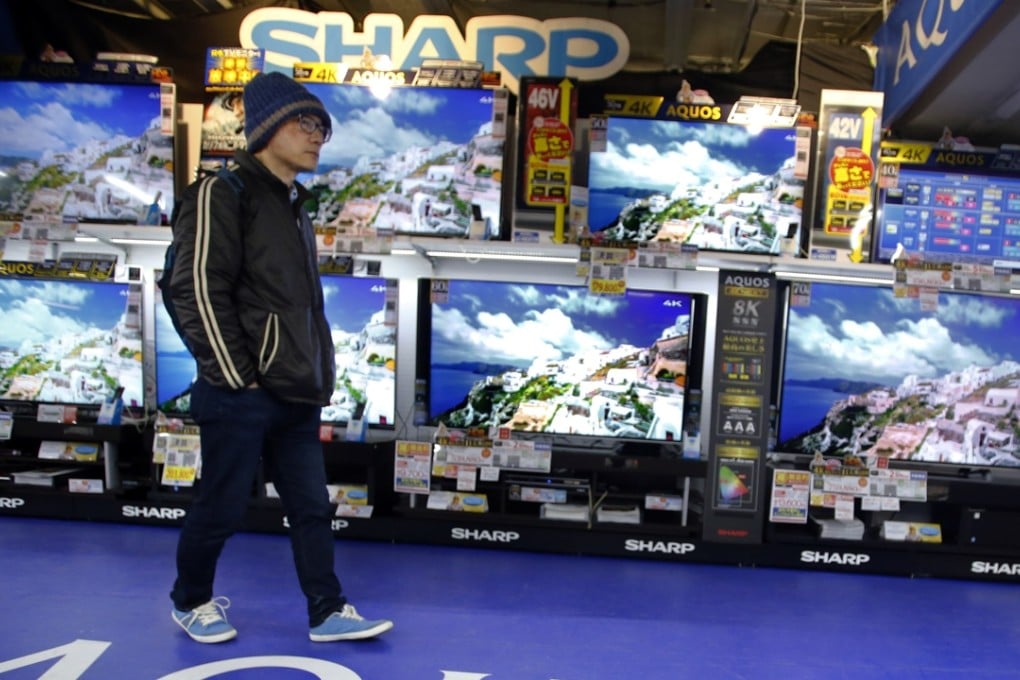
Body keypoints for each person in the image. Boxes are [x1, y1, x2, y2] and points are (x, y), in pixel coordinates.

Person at [166, 71, 393, 644]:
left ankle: (327, 611)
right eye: (305, 123)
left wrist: (317, 372)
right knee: (221, 506)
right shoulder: (222, 193)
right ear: (268, 127)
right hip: (238, 391)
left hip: (295, 387)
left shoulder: (295, 205)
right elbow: (193, 288)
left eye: (322, 128)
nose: (317, 136)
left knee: (312, 507)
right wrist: (236, 377)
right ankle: (190, 601)